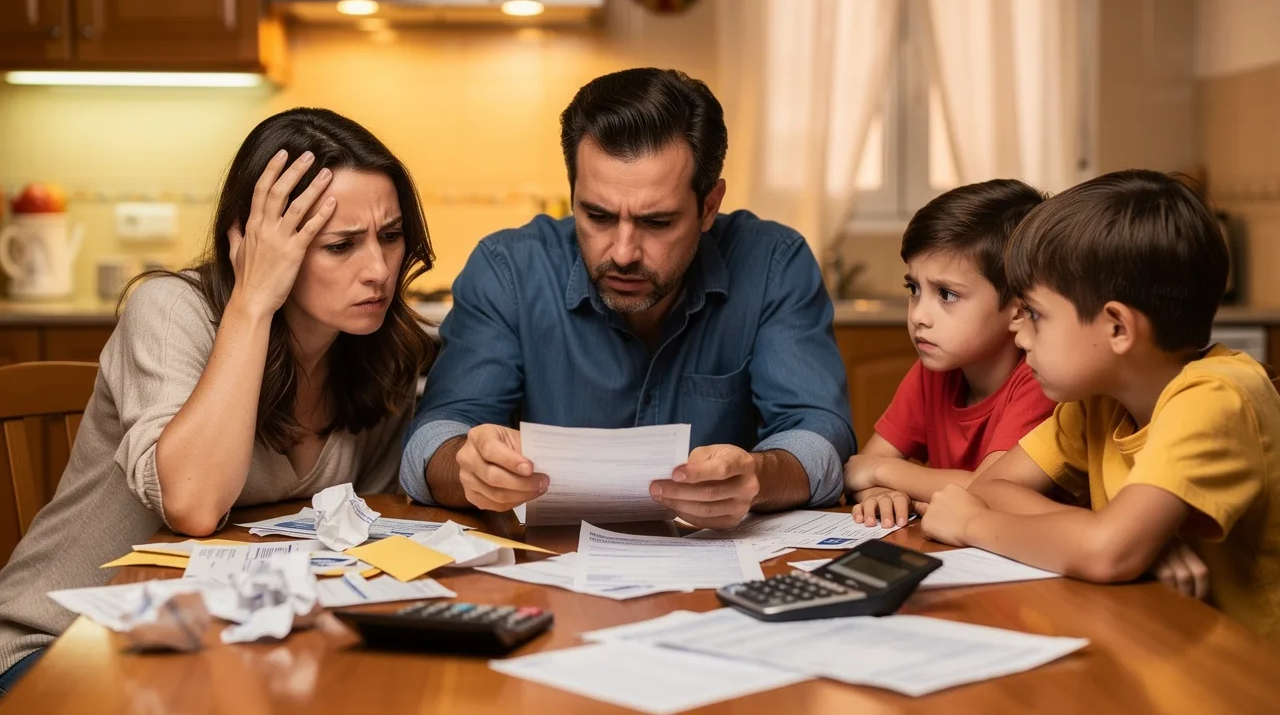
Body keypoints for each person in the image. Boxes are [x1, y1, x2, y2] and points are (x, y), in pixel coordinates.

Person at [0, 107, 435, 693]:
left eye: (390, 236)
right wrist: (254, 299)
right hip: (61, 645)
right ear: (257, 243)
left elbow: (360, 532)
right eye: (341, 245)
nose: (379, 270)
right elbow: (194, 505)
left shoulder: (380, 352)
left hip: (216, 651)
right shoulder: (170, 311)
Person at [400, 68, 855, 530]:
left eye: (656, 222)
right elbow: (434, 436)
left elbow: (822, 435)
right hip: (548, 570)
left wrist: (757, 476)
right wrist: (467, 467)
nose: (622, 253)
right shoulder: (508, 270)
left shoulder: (774, 264)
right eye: (596, 215)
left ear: (709, 206)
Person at [921, 170, 1280, 643]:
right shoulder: (1098, 401)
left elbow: (1107, 554)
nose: (1019, 334)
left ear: (1117, 328)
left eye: (1035, 314)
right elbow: (993, 484)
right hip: (1159, 637)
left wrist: (973, 524)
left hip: (1246, 669)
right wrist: (1111, 534)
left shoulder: (1216, 398)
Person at [843, 180, 1054, 528]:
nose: (918, 316)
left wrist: (883, 471)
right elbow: (861, 467)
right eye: (914, 288)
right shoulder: (933, 371)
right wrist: (879, 492)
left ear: (1018, 309)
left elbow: (989, 491)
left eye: (946, 294)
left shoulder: (1040, 381)